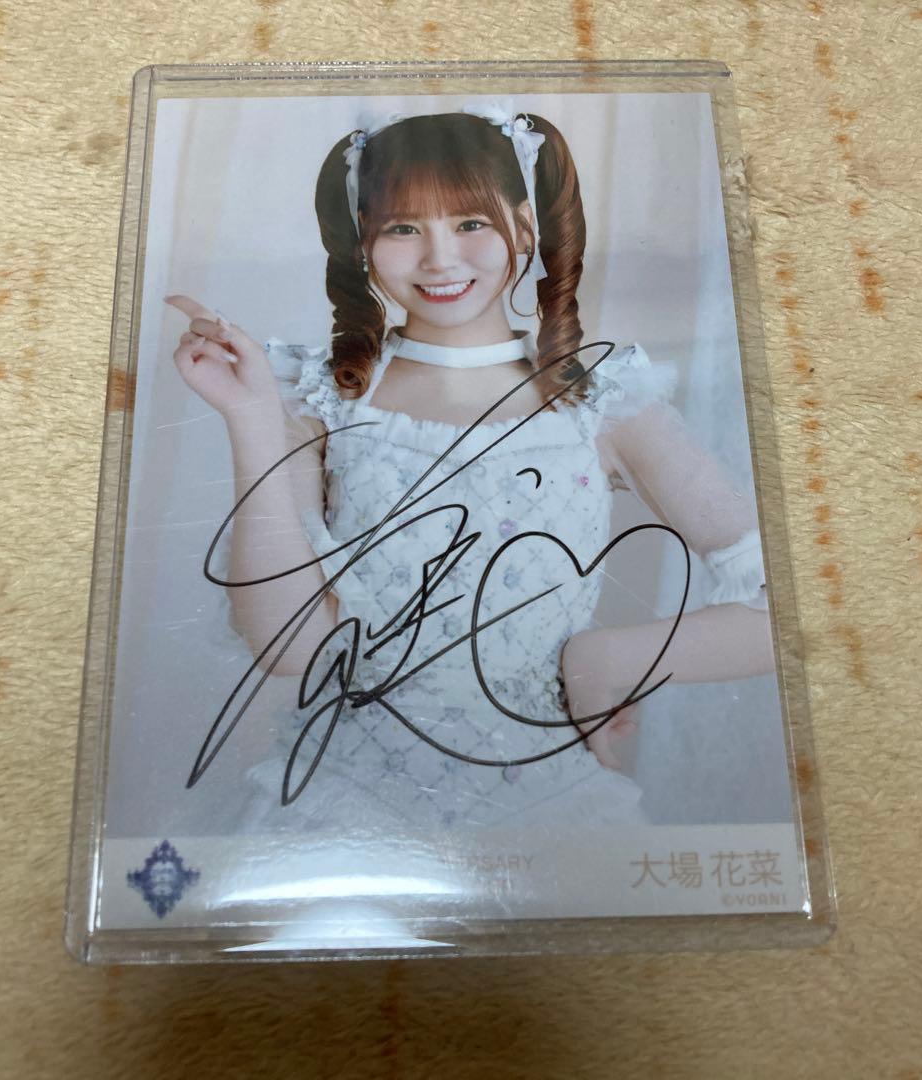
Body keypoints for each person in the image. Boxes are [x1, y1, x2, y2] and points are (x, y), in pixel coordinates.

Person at [164, 104, 773, 836]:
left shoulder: (601, 400)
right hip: (338, 810)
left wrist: (607, 660)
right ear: (362, 241)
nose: (440, 258)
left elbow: (780, 605)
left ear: (525, 226)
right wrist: (250, 417)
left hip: (557, 812)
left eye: (470, 223)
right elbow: (290, 649)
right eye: (403, 228)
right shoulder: (322, 400)